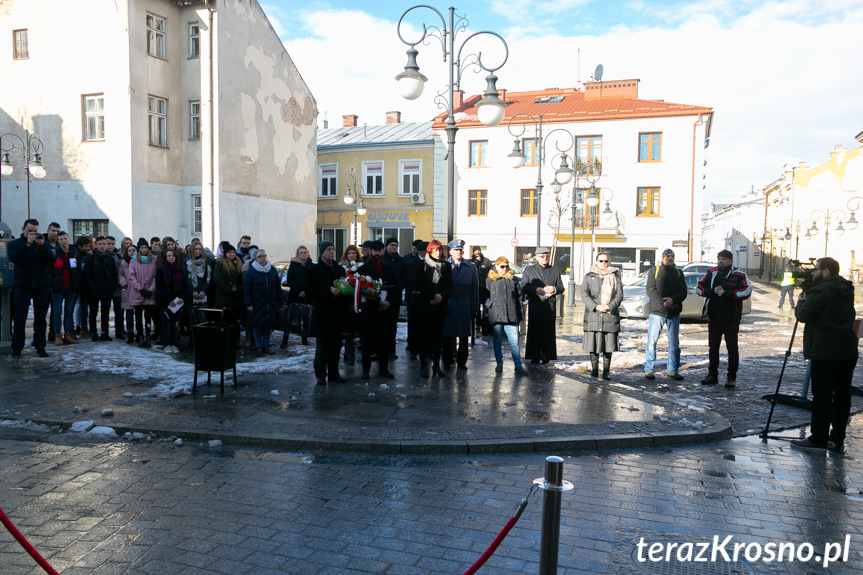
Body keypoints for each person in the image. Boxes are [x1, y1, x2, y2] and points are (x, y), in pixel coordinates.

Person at [791, 257, 859, 452]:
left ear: (827, 271)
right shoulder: (846, 288)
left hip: (825, 351)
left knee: (822, 395)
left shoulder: (821, 290)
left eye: (816, 270)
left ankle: (818, 438)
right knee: (842, 395)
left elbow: (803, 316)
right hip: (847, 349)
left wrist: (802, 301)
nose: (812, 273)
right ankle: (837, 438)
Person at [696, 250, 752, 388]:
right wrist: (712, 292)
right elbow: (699, 288)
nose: (721, 261)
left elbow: (746, 291)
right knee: (713, 347)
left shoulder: (739, 275)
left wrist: (727, 294)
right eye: (719, 258)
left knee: (732, 348)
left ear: (731, 261)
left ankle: (731, 377)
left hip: (731, 318)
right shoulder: (711, 273)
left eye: (724, 259)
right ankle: (712, 375)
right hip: (714, 317)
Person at [8, 219, 55, 359]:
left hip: (41, 284)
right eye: (30, 231)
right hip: (23, 284)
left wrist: (42, 247)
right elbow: (15, 258)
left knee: (40, 318)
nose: (33, 234)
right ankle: (17, 348)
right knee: (19, 317)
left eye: (35, 231)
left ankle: (40, 347)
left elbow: (51, 261)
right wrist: (27, 245)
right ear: (23, 229)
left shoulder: (44, 244)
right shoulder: (15, 244)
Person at [306, 240, 349, 385]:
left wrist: (342, 291)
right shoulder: (314, 270)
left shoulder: (339, 270)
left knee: (336, 346)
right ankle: (320, 374)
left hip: (337, 313)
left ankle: (334, 372)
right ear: (322, 252)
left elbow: (345, 286)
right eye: (328, 249)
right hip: (323, 313)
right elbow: (309, 290)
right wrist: (327, 289)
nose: (332, 252)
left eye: (333, 249)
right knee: (323, 347)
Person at [644, 249, 687, 380]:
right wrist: (664, 302)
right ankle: (649, 369)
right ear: (662, 258)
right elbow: (651, 290)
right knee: (652, 341)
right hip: (657, 312)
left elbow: (683, 291)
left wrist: (673, 300)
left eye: (672, 256)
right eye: (667, 256)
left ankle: (672, 370)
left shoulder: (679, 272)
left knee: (674, 343)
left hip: (673, 312)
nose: (670, 258)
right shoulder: (654, 271)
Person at [357, 240, 397, 379]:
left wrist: (387, 302)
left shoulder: (389, 268)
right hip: (370, 310)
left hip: (385, 310)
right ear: (371, 251)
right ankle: (366, 370)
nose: (377, 253)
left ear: (383, 251)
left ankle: (383, 369)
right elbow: (362, 291)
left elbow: (394, 288)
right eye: (375, 251)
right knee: (367, 341)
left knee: (384, 341)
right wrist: (378, 302)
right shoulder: (363, 269)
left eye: (380, 251)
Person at [581, 252, 624, 380]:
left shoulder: (615, 276)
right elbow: (584, 294)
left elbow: (619, 295)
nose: (603, 264)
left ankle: (606, 371)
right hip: (593, 314)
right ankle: (594, 370)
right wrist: (595, 306)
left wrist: (610, 306)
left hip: (609, 315)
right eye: (601, 261)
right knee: (593, 344)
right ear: (596, 262)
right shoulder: (589, 276)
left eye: (606, 261)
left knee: (608, 345)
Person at [415, 240, 453, 377]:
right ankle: (424, 365)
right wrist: (432, 296)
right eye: (435, 250)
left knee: (438, 337)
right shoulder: (422, 265)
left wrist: (441, 296)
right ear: (430, 251)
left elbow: (449, 286)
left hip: (440, 306)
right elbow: (419, 284)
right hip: (426, 305)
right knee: (424, 337)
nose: (438, 253)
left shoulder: (446, 266)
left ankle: (437, 365)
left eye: (440, 250)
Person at [523, 247, 565, 364]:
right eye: (542, 256)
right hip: (535, 306)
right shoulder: (529, 270)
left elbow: (561, 287)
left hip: (549, 307)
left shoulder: (555, 270)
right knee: (535, 332)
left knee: (548, 333)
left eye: (547, 256)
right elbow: (524, 287)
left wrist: (554, 288)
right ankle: (534, 356)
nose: (545, 258)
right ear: (536, 257)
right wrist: (536, 289)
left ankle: (547, 357)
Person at [486, 256, 527, 374]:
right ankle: (499, 363)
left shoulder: (513, 280)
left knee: (514, 342)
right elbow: (483, 294)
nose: (504, 269)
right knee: (497, 341)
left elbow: (519, 298)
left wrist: (521, 316)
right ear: (496, 267)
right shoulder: (490, 280)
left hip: (511, 315)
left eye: (506, 266)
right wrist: (489, 303)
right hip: (496, 315)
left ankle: (518, 366)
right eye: (502, 266)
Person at [442, 239, 478, 371]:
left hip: (464, 304)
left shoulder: (471, 267)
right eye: (456, 250)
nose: (459, 252)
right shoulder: (444, 265)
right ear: (450, 251)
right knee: (447, 335)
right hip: (449, 304)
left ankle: (462, 361)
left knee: (463, 336)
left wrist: (474, 307)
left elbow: (475, 288)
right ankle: (447, 360)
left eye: (461, 250)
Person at [243, 248, 281, 356]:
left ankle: (266, 346)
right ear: (256, 258)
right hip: (257, 303)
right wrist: (248, 303)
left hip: (270, 303)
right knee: (257, 325)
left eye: (264, 256)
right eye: (260, 256)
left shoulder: (272, 269)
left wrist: (279, 301)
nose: (263, 258)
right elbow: (246, 288)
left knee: (267, 326)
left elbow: (277, 286)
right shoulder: (251, 270)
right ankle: (259, 347)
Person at [83, 236, 119, 342]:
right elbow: (86, 274)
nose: (102, 246)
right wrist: (92, 286)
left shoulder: (110, 258)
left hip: (107, 290)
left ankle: (105, 332)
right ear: (96, 245)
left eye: (104, 244)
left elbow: (113, 274)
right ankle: (93, 332)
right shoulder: (91, 258)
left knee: (105, 312)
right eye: (100, 244)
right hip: (94, 290)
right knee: (93, 312)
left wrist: (113, 285)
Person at [51, 231, 80, 345]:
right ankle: (57, 335)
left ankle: (68, 333)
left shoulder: (74, 252)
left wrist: (76, 284)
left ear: (69, 239)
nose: (64, 241)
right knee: (57, 311)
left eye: (65, 238)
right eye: (61, 239)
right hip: (57, 287)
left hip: (71, 287)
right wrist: (52, 284)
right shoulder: (54, 253)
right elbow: (50, 270)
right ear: (58, 241)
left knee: (69, 311)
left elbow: (77, 270)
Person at [156, 248, 186, 353]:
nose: (171, 257)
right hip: (165, 302)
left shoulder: (180, 270)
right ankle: (166, 343)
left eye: (173, 255)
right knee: (166, 324)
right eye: (169, 256)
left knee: (175, 324)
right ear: (165, 258)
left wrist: (182, 298)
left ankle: (174, 343)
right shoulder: (161, 270)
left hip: (177, 302)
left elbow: (184, 286)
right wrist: (168, 300)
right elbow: (160, 288)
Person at [129, 238, 158, 347]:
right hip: (138, 292)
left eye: (145, 247)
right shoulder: (134, 260)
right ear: (138, 249)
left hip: (150, 293)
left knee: (148, 316)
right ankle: (140, 336)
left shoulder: (153, 260)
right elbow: (131, 276)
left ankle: (148, 337)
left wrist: (150, 290)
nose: (144, 249)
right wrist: (140, 289)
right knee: (138, 316)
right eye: (142, 248)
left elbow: (156, 276)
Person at [337, 244, 362, 363]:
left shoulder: (361, 267)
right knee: (347, 329)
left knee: (356, 329)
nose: (352, 255)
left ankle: (353, 354)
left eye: (354, 253)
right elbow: (340, 282)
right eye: (350, 253)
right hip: (345, 302)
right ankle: (349, 354)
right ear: (346, 255)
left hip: (359, 301)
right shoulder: (341, 267)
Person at [404, 241, 428, 360]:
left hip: (429, 300)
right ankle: (414, 349)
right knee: (414, 325)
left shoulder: (433, 263)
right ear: (423, 251)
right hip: (415, 299)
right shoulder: (411, 263)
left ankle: (427, 349)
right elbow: (413, 282)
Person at [383, 237, 406, 359]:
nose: (393, 247)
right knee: (381, 324)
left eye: (396, 245)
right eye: (391, 245)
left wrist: (397, 289)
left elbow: (403, 278)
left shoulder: (401, 261)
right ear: (387, 246)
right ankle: (380, 349)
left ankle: (391, 349)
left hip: (395, 296)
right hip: (382, 296)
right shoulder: (382, 259)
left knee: (393, 324)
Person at [284, 245, 312, 346]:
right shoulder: (294, 264)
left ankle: (304, 339)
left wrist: (304, 291)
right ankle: (285, 340)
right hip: (294, 295)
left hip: (306, 296)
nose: (303, 254)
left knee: (306, 320)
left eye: (305, 252)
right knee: (289, 320)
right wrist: (298, 291)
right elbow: (290, 279)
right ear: (298, 254)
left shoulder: (311, 265)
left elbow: (312, 280)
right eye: (301, 253)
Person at [212, 244, 244, 322]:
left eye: (233, 252)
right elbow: (218, 279)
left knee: (234, 319)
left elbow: (241, 278)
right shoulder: (220, 263)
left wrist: (238, 289)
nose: (232, 254)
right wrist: (228, 290)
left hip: (236, 297)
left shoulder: (238, 263)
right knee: (224, 319)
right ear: (225, 253)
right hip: (223, 297)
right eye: (229, 252)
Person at [118, 243, 137, 344]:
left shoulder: (139, 261)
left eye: (133, 250)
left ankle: (139, 332)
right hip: (128, 288)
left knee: (138, 312)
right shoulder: (123, 262)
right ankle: (130, 333)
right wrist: (123, 283)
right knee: (129, 312)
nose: (131, 252)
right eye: (129, 250)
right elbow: (120, 274)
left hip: (137, 288)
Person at [74, 235, 93, 338]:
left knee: (84, 307)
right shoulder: (74, 255)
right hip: (75, 285)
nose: (88, 248)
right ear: (79, 246)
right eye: (86, 246)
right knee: (76, 307)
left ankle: (83, 327)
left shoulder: (89, 257)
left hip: (85, 286)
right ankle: (76, 326)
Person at [472, 246, 493, 336]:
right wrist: (476, 261)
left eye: (479, 250)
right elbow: (471, 270)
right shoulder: (471, 262)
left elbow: (491, 273)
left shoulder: (486, 261)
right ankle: (477, 323)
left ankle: (485, 326)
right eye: (475, 251)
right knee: (476, 309)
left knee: (486, 309)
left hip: (486, 289)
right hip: (476, 289)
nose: (477, 252)